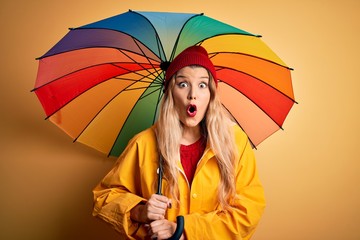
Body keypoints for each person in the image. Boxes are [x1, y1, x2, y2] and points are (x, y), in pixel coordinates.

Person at [92, 46, 266, 240]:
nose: (193, 94)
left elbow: (249, 211)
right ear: (170, 93)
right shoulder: (144, 143)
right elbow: (103, 199)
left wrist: (182, 230)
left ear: (211, 94)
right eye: (183, 84)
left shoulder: (235, 141)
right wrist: (139, 211)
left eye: (202, 85)